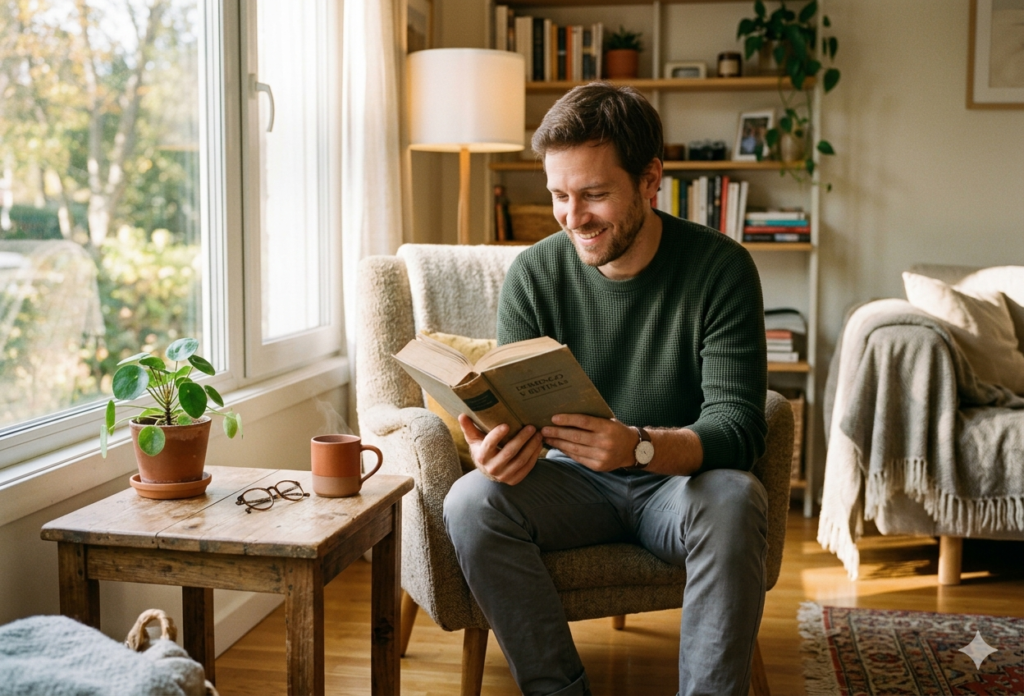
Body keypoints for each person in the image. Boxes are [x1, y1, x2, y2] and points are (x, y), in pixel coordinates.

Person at [443, 83, 769, 696]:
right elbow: (511, 415)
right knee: (470, 501)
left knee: (736, 499)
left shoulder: (720, 268)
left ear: (650, 181)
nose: (573, 218)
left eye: (594, 194)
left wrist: (637, 447)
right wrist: (497, 451)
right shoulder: (535, 274)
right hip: (570, 483)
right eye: (560, 196)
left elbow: (740, 428)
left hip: (677, 485)